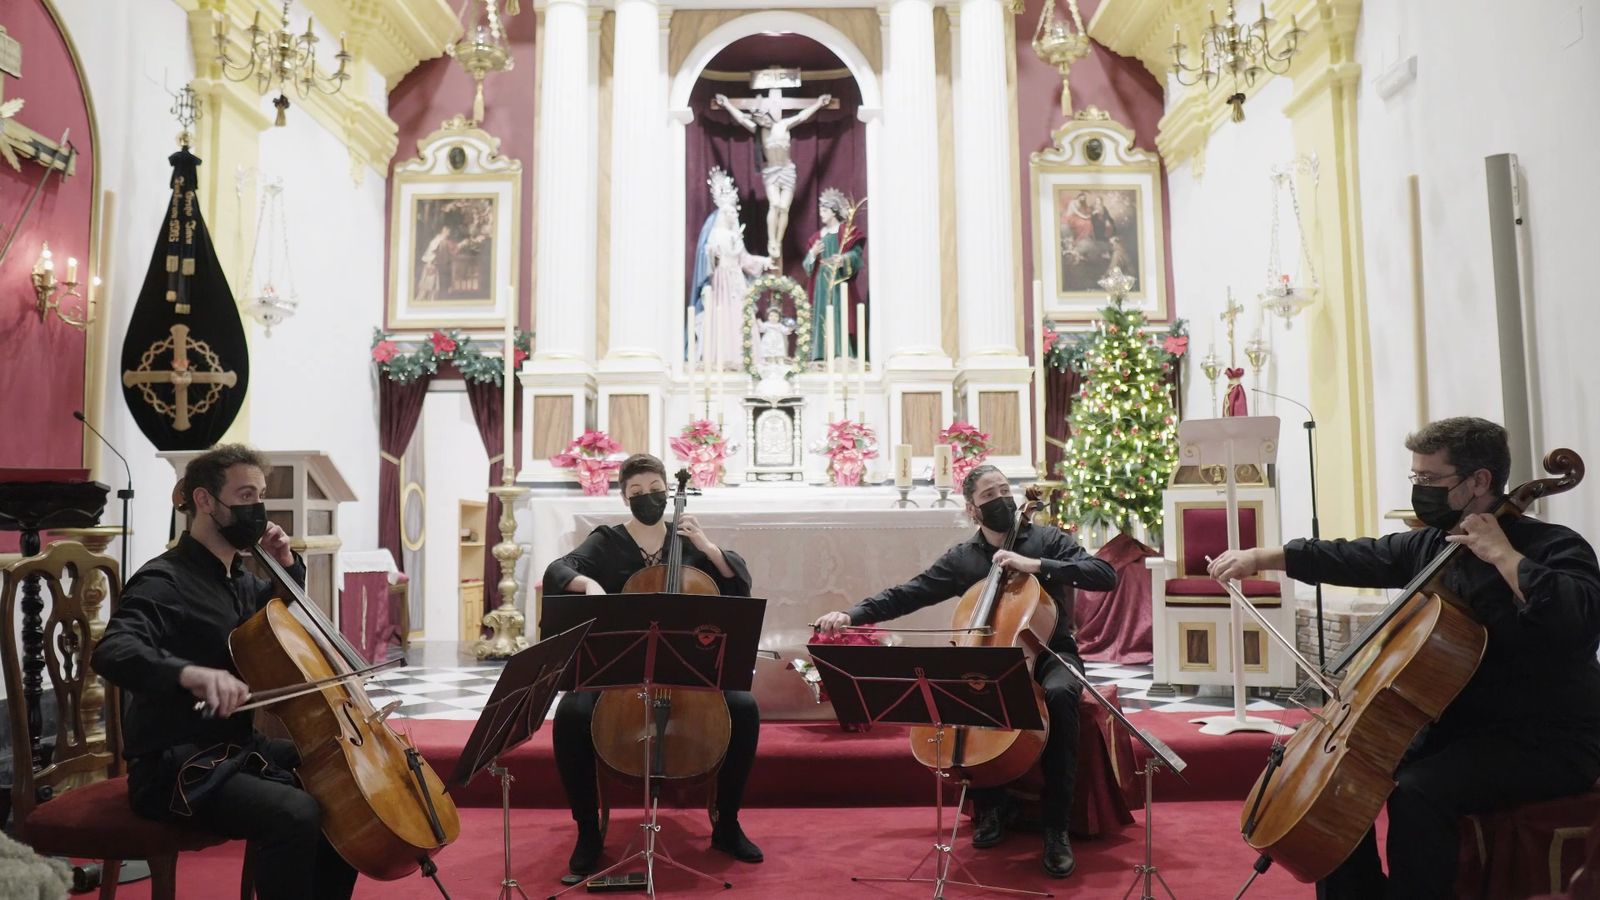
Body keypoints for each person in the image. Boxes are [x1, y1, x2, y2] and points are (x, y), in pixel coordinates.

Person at [1208, 417, 1600, 900]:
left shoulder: (1554, 546)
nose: (1419, 490)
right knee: (1340, 783)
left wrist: (1504, 556)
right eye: (1416, 479)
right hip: (1458, 729)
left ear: (1479, 481)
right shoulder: (1435, 545)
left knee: (1417, 789)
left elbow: (1577, 624)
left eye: (1430, 480)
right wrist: (1262, 557)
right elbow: (1356, 556)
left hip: (1545, 738)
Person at [814, 464, 1117, 878]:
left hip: (1050, 651)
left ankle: (1056, 826)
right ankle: (991, 808)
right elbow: (909, 593)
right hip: (989, 658)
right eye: (989, 495)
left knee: (1063, 695)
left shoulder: (1047, 540)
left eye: (1004, 490)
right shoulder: (964, 558)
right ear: (973, 509)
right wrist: (853, 615)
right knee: (968, 689)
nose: (1001, 500)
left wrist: (1037, 565)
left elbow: (1104, 575)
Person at [91, 444, 357, 900]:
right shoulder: (164, 580)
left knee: (343, 785)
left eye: (261, 495)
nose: (257, 508)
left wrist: (287, 567)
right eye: (246, 494)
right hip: (175, 765)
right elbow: (113, 649)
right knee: (294, 813)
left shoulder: (239, 580)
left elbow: (279, 619)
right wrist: (190, 673)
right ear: (205, 500)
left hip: (234, 748)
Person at [543, 453, 764, 877]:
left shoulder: (687, 540)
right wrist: (589, 583)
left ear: (668, 489)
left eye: (655, 489)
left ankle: (728, 823)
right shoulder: (607, 540)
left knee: (744, 707)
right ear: (625, 498)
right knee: (571, 712)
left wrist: (707, 545)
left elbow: (737, 583)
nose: (648, 498)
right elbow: (559, 569)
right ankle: (588, 831)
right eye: (637, 492)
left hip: (688, 671)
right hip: (621, 670)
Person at [714, 90, 832, 261]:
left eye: (763, 116)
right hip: (771, 172)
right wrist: (726, 104)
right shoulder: (758, 130)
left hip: (787, 171)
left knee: (784, 208)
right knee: (775, 204)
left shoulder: (783, 125)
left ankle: (778, 239)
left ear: (768, 114)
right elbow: (741, 118)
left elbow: (802, 116)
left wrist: (819, 104)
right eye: (758, 118)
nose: (762, 120)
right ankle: (772, 241)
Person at [802, 188, 864, 363]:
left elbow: (857, 255)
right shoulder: (817, 237)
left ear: (833, 211)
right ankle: (820, 353)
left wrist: (844, 258)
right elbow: (807, 266)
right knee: (821, 314)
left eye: (824, 210)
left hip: (838, 281)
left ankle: (840, 352)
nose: (820, 214)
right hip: (821, 283)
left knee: (839, 313)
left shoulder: (846, 233)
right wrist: (813, 254)